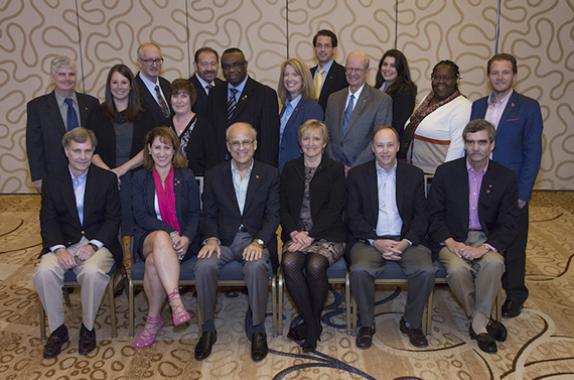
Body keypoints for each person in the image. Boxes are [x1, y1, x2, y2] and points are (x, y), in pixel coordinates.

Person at [427, 119, 519, 353]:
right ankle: (484, 321)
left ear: (492, 145)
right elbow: (433, 216)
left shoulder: (505, 177)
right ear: (464, 144)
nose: (476, 148)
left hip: (486, 240)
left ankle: (477, 324)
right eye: (470, 142)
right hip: (452, 238)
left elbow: (509, 224)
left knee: (494, 264)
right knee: (457, 269)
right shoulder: (446, 172)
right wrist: (450, 242)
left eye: (481, 142)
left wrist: (484, 248)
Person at [194, 122, 279, 362]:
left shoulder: (270, 173)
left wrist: (259, 242)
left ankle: (258, 328)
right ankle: (208, 328)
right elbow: (207, 214)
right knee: (204, 265)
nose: (241, 147)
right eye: (235, 142)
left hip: (254, 239)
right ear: (228, 146)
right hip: (222, 239)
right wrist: (210, 239)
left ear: (255, 145)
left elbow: (273, 215)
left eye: (246, 142)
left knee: (256, 266)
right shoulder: (214, 175)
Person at [33, 128, 121, 359]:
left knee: (92, 272)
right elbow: (48, 220)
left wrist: (92, 245)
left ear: (93, 152)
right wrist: (59, 250)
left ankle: (87, 327)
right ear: (66, 152)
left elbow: (113, 219)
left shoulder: (107, 179)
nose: (82, 156)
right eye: (77, 151)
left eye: (87, 151)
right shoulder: (52, 181)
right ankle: (58, 330)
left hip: (99, 243)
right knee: (44, 272)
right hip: (63, 242)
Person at [470, 53, 543, 318]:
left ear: (514, 75)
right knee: (485, 233)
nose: (500, 77)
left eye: (505, 72)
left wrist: (523, 192)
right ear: (488, 76)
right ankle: (484, 284)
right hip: (480, 181)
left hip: (511, 187)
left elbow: (533, 152)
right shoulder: (477, 106)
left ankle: (514, 294)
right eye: (495, 72)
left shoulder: (527, 107)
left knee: (514, 241)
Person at [347, 126, 434, 349]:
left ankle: (411, 323)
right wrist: (375, 240)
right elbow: (352, 215)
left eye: (389, 145)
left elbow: (421, 216)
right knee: (359, 270)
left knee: (425, 270)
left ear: (397, 147)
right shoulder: (358, 174)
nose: (385, 151)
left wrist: (405, 243)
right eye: (380, 145)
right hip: (370, 240)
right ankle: (366, 324)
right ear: (372, 148)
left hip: (406, 240)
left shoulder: (413, 175)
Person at [131, 127, 201, 349]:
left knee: (153, 263)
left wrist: (187, 238)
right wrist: (169, 232)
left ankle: (153, 321)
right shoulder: (139, 177)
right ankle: (175, 300)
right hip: (149, 238)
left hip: (183, 243)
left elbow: (194, 213)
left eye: (167, 147)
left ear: (174, 150)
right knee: (161, 237)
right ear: (149, 150)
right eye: (157, 147)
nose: (162, 153)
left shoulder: (186, 176)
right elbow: (140, 216)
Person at [280, 120, 346, 351]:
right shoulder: (290, 168)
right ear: (300, 143)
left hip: (329, 234)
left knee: (316, 265)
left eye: (316, 138)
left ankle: (310, 324)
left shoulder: (336, 170)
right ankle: (312, 323)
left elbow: (335, 208)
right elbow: (284, 207)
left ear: (324, 143)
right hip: (297, 233)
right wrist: (294, 232)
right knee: (289, 262)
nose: (311, 143)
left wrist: (311, 235)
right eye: (306, 138)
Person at [86, 64, 155, 235]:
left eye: (124, 82)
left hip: (136, 175)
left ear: (131, 85)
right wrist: (109, 173)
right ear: (109, 85)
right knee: (109, 222)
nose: (119, 87)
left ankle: (135, 253)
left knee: (134, 221)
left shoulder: (144, 113)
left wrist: (121, 171)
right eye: (115, 82)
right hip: (104, 175)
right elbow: (91, 149)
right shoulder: (97, 113)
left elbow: (149, 148)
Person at [26, 56, 99, 193]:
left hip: (88, 173)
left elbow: (97, 140)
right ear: (53, 77)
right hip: (52, 174)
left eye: (71, 74)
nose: (67, 78)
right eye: (62, 74)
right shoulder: (37, 107)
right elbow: (34, 145)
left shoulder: (91, 103)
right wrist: (37, 178)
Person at [206, 48, 280, 168]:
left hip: (253, 168)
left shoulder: (265, 94)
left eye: (236, 65)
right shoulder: (214, 93)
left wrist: (266, 173)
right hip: (220, 169)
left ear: (245, 65)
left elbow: (269, 141)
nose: (231, 70)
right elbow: (210, 135)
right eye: (226, 66)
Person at [325, 51, 392, 172]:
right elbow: (327, 135)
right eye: (349, 69)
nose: (352, 73)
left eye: (357, 70)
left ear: (367, 72)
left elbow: (379, 140)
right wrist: (337, 166)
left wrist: (354, 168)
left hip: (364, 170)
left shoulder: (381, 100)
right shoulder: (333, 99)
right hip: (334, 170)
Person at [404, 60, 471, 173]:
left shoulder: (463, 107)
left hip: (435, 177)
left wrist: (444, 178)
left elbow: (457, 149)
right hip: (415, 172)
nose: (440, 82)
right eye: (436, 77)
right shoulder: (427, 99)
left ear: (456, 80)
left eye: (446, 78)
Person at [277, 58, 324, 171]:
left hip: (299, 172)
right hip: (281, 169)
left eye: (295, 74)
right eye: (286, 74)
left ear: (304, 79)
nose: (289, 79)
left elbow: (312, 147)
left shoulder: (311, 108)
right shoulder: (285, 107)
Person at [169, 78, 211, 176]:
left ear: (191, 99)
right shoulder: (163, 125)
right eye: (175, 96)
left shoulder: (204, 126)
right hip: (166, 185)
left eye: (184, 96)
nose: (179, 101)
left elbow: (212, 162)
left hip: (197, 185)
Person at [374, 49, 417, 142]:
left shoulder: (406, 92)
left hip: (391, 143)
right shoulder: (377, 88)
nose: (387, 69)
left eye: (393, 66)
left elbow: (398, 125)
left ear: (400, 69)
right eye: (385, 64)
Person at [134, 42, 172, 126]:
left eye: (157, 60)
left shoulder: (167, 84)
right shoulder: (133, 89)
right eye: (149, 60)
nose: (154, 65)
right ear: (139, 62)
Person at [310, 29, 348, 111]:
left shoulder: (344, 74)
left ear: (334, 49)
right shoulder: (308, 74)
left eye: (327, 46)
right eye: (319, 45)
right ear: (314, 49)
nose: (322, 49)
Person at [189, 47, 224, 117]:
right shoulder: (187, 88)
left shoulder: (223, 86)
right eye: (204, 64)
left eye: (213, 64)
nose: (209, 68)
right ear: (195, 66)